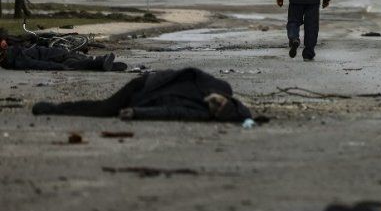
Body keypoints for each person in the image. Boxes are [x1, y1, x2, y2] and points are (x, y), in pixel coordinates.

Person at [32, 68, 252, 122]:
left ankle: (54, 108)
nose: (213, 105)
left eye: (216, 110)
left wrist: (137, 113)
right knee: (103, 109)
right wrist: (213, 92)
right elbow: (192, 72)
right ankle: (52, 108)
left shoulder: (202, 113)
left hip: (144, 98)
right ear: (226, 99)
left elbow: (170, 112)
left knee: (104, 109)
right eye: (219, 103)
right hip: (146, 84)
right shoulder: (220, 86)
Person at [0, 38, 125, 71]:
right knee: (78, 61)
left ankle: (100, 62)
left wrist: (57, 66)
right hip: (56, 55)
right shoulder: (16, 55)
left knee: (76, 64)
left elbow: (37, 63)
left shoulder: (16, 57)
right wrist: (57, 67)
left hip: (56, 58)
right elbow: (36, 63)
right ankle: (102, 63)